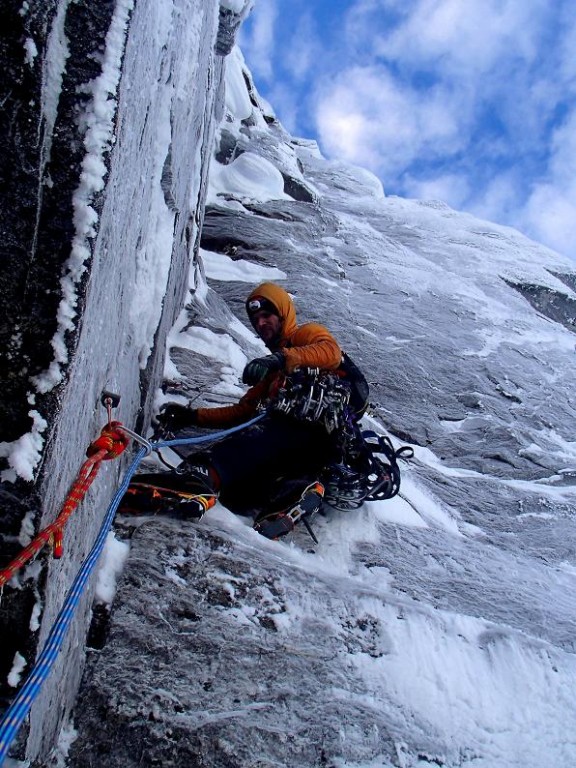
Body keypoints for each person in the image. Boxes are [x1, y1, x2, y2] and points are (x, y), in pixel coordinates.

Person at [121, 282, 369, 539]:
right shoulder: (274, 374)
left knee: (248, 443)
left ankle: (196, 478)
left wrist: (280, 358)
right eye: (256, 319)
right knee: (239, 492)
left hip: (311, 430)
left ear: (283, 314)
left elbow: (331, 352)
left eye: (267, 315)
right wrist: (192, 416)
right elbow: (242, 412)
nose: (261, 324)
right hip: (314, 452)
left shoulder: (305, 336)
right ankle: (295, 493)